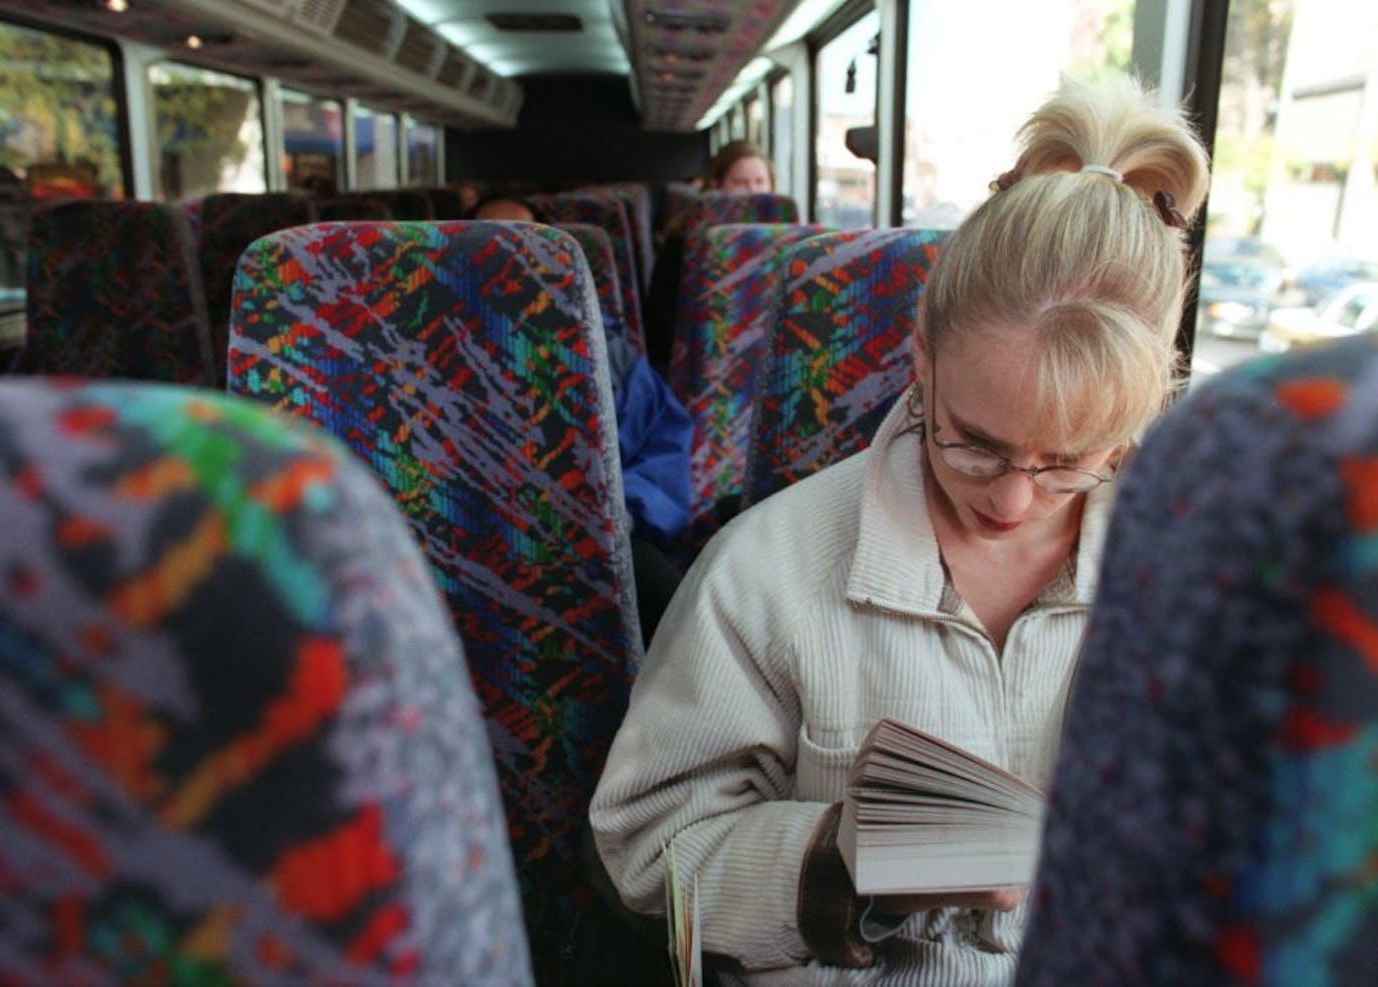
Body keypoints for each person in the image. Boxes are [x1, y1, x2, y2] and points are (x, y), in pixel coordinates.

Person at [590, 76, 1210, 983]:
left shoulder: (1204, 577)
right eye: (975, 446)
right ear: (920, 357)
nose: (1011, 503)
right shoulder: (765, 570)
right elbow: (646, 849)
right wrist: (840, 861)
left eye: (1072, 462)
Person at [474, 197, 693, 642]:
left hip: (594, 530)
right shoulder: (415, 352)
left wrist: (612, 515)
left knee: (665, 594)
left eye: (519, 243)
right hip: (463, 531)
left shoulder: (602, 349)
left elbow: (661, 450)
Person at [645, 140, 777, 369]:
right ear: (717, 185)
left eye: (759, 182)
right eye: (740, 182)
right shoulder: (684, 242)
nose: (752, 192)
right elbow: (662, 328)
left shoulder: (786, 243)